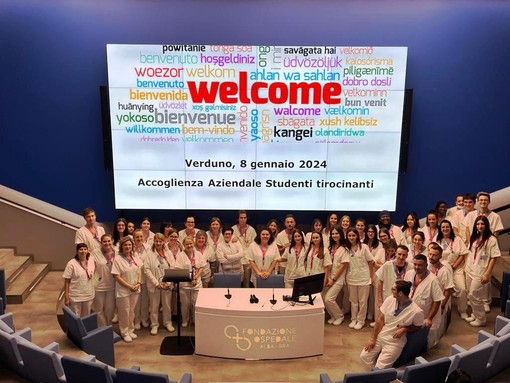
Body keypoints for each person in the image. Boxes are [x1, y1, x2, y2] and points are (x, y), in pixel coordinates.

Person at [360, 280, 424, 371]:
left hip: (394, 343)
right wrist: (372, 339)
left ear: (400, 293)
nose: (391, 291)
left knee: (380, 369)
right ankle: (372, 376)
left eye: (393, 289)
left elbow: (418, 326)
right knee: (364, 356)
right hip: (382, 336)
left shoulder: (416, 311)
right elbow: (380, 320)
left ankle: (376, 376)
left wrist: (405, 329)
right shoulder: (390, 299)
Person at [464, 215, 500, 326]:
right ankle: (475, 314)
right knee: (470, 295)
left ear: (487, 225)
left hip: (481, 272)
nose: (480, 226)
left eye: (482, 224)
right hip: (470, 269)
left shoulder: (491, 239)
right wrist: (466, 267)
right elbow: (470, 253)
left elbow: (494, 257)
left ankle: (481, 318)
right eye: (478, 224)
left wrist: (487, 273)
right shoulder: (474, 237)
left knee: (474, 294)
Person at [405, 254, 443, 347]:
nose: (417, 267)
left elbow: (437, 301)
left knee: (427, 344)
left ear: (426, 265)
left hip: (426, 317)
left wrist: (429, 318)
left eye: (420, 265)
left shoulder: (433, 280)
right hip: (412, 314)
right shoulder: (409, 274)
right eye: (415, 264)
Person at [111, 235, 143, 342]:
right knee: (124, 311)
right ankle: (124, 332)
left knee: (132, 311)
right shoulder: (118, 259)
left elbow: (139, 271)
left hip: (135, 288)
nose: (128, 246)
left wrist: (138, 283)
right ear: (121, 246)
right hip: (124, 290)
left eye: (129, 244)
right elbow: (117, 276)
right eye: (125, 245)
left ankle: (130, 329)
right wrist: (130, 286)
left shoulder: (135, 256)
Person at [143, 232, 175, 335]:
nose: (158, 243)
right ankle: (154, 325)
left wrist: (168, 281)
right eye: (156, 241)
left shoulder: (168, 253)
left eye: (160, 241)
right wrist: (156, 283)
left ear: (164, 242)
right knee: (154, 306)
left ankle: (167, 323)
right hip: (154, 285)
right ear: (154, 242)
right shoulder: (149, 254)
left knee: (167, 305)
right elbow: (146, 269)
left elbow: (172, 267)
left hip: (166, 284)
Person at [437, 219, 469, 319]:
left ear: (451, 228)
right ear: (440, 229)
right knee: (440, 290)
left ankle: (463, 310)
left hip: (456, 269)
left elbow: (462, 254)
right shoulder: (437, 240)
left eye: (447, 227)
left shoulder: (457, 240)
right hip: (441, 270)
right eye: (443, 227)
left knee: (462, 289)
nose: (445, 229)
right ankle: (440, 310)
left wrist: (454, 266)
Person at [345, 228, 374, 330]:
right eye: (349, 235)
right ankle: (353, 319)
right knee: (353, 300)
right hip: (352, 278)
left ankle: (361, 320)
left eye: (353, 235)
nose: (351, 237)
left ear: (357, 236)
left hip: (364, 278)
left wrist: (371, 276)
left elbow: (370, 261)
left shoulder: (364, 247)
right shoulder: (346, 249)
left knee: (363, 301)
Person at [174, 236, 206, 327]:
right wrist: (189, 278)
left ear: (193, 243)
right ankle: (185, 320)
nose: (189, 245)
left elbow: (201, 267)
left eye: (190, 243)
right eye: (187, 244)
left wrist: (195, 277)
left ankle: (195, 320)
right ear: (184, 245)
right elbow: (179, 269)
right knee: (185, 305)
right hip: (185, 285)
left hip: (197, 283)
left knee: (196, 303)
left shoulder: (198, 254)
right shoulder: (180, 255)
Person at [427, 243, 454, 347]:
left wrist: (442, 305)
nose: (431, 257)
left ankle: (434, 344)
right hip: (429, 300)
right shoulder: (427, 267)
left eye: (434, 255)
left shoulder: (444, 271)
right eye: (430, 254)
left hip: (440, 302)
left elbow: (448, 289)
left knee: (437, 324)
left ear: (440, 257)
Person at [323, 226, 349, 325]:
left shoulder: (345, 249)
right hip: (330, 276)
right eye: (333, 234)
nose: (334, 235)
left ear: (341, 234)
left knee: (329, 299)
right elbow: (328, 264)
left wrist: (333, 279)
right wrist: (328, 277)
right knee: (324, 297)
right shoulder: (330, 248)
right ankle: (333, 316)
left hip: (338, 279)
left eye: (336, 233)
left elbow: (343, 266)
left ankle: (339, 316)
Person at [63, 243, 96, 317]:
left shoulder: (91, 261)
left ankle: (85, 329)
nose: (83, 251)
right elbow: (67, 281)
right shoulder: (71, 263)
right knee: (76, 318)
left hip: (88, 295)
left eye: (85, 249)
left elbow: (94, 274)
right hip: (76, 296)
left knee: (86, 317)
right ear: (77, 251)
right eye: (81, 249)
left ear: (87, 251)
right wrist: (66, 297)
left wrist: (94, 285)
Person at [91, 234, 116, 326]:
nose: (107, 243)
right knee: (98, 309)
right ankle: (102, 328)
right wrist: (91, 285)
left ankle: (109, 325)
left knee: (110, 308)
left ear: (112, 241)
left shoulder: (117, 252)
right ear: (101, 242)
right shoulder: (95, 253)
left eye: (109, 241)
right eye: (104, 241)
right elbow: (91, 269)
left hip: (112, 285)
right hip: (99, 285)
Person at [232, 211, 257, 287]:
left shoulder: (251, 230)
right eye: (241, 218)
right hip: (236, 259)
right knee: (236, 281)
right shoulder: (233, 229)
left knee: (247, 282)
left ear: (247, 219)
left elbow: (255, 245)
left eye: (244, 218)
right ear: (238, 219)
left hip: (247, 260)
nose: (243, 219)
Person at [132, 229, 150, 329]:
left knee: (145, 301)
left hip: (145, 278)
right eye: (137, 237)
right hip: (134, 280)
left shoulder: (148, 248)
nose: (139, 239)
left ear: (144, 237)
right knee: (136, 302)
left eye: (141, 237)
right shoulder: (130, 248)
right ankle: (137, 321)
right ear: (133, 238)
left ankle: (144, 319)